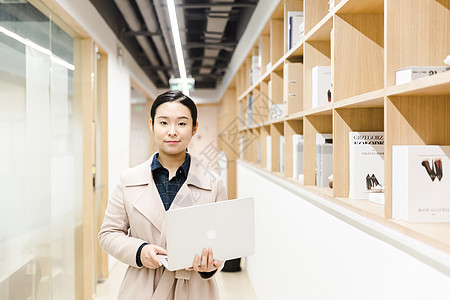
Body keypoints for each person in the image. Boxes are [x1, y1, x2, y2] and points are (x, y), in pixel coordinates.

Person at [99, 90, 227, 300]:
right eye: (164, 123)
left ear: (194, 128)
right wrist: (140, 251)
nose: (173, 131)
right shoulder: (128, 180)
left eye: (182, 123)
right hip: (142, 288)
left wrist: (208, 266)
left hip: (195, 289)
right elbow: (108, 234)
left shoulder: (213, 183)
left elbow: (221, 241)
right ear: (152, 125)